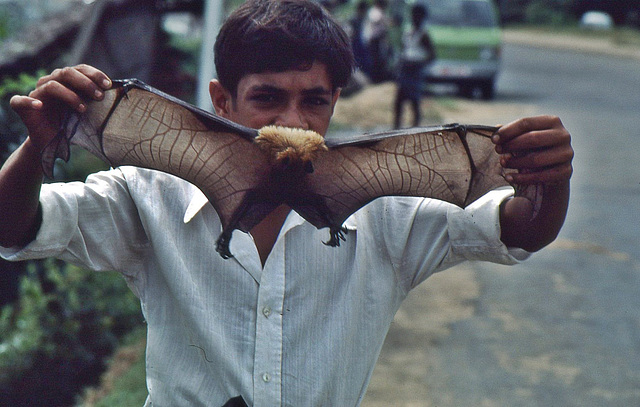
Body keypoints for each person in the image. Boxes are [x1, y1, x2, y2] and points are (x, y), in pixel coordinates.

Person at [0, 0, 573, 405]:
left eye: (314, 102)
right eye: (268, 99)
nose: (292, 122)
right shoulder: (151, 196)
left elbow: (518, 232)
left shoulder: (383, 209)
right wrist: (37, 146)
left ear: (334, 102)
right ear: (222, 99)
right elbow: (15, 228)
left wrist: (547, 181)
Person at [393, 3, 435, 129]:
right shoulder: (408, 32)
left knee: (414, 100)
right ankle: (396, 128)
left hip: (415, 70)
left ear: (422, 18)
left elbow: (432, 55)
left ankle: (415, 127)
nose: (415, 18)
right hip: (405, 68)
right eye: (413, 15)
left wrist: (419, 63)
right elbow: (404, 50)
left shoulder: (424, 35)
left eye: (418, 16)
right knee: (399, 100)